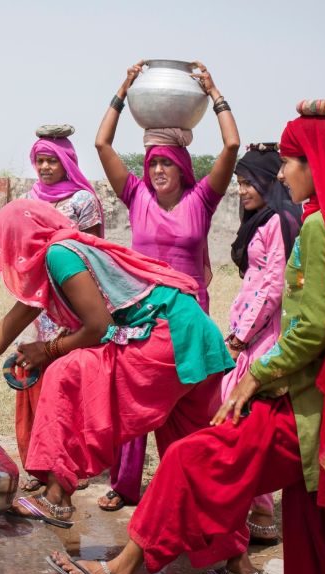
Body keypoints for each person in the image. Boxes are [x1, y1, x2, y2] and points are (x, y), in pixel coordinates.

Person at [45, 101, 325, 574]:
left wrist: (260, 371)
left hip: (302, 409)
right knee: (307, 531)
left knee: (193, 460)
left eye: (291, 161)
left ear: (315, 166)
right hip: (322, 404)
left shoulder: (321, 228)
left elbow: (315, 327)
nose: (282, 172)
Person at [0, 199, 233, 527]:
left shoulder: (59, 254)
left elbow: (99, 327)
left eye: (9, 247)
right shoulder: (56, 262)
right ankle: (233, 561)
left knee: (67, 373)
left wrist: (48, 350)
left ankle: (56, 497)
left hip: (168, 337)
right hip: (195, 338)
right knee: (191, 454)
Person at [91, 59, 241, 512]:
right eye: (152, 164)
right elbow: (101, 143)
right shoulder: (136, 198)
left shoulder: (201, 201)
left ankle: (191, 482)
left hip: (189, 313)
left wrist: (214, 93)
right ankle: (125, 485)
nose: (157, 171)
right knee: (137, 396)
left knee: (190, 401)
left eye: (165, 164)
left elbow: (231, 145)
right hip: (143, 309)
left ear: (180, 167)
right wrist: (123, 89)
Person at [211, 143, 302, 548]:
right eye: (239, 183)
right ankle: (253, 507)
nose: (242, 190)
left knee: (244, 418)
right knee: (244, 418)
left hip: (263, 336)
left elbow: (273, 287)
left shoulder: (278, 222)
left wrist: (240, 337)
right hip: (253, 333)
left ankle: (259, 511)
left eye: (249, 182)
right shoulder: (264, 220)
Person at [15, 125, 105, 493]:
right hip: (39, 302)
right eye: (40, 160)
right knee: (36, 380)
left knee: (70, 384)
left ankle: (73, 465)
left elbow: (97, 252)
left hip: (75, 302)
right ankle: (41, 464)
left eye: (53, 159)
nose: (46, 167)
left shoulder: (83, 201)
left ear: (67, 161)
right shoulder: (28, 200)